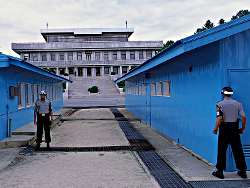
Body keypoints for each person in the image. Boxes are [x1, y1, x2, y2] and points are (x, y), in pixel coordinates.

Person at [212, 87, 247, 179]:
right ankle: (243, 171)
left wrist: (215, 129)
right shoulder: (238, 104)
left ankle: (220, 171)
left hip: (224, 128)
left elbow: (220, 118)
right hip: (235, 127)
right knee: (238, 149)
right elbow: (244, 117)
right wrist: (242, 128)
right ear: (231, 94)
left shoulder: (220, 104)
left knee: (222, 149)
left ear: (223, 94)